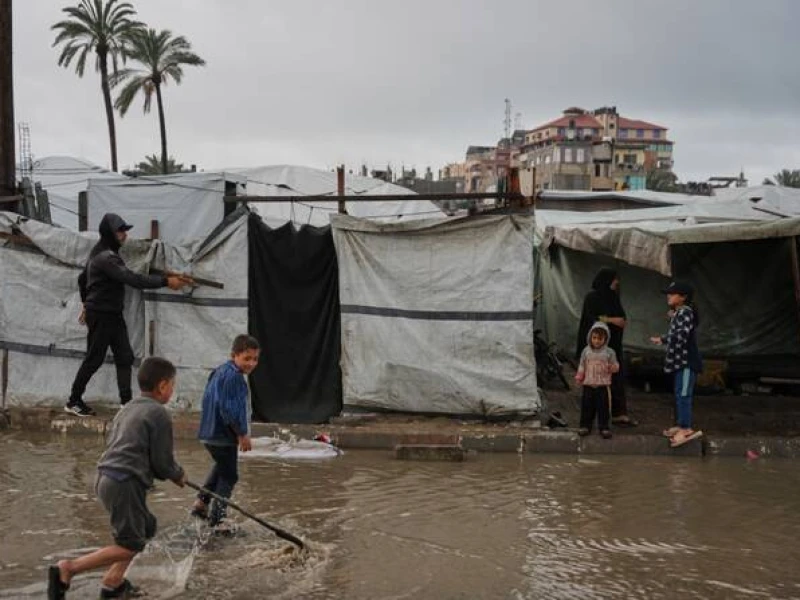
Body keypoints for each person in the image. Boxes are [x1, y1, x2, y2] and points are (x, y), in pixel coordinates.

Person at [47, 357, 187, 600]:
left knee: (146, 528)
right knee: (131, 543)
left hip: (105, 477)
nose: (172, 390)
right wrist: (178, 474)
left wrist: (162, 471)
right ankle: (69, 569)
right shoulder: (159, 414)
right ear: (163, 386)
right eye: (172, 385)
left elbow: (126, 447)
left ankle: (114, 582)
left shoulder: (129, 407)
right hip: (125, 482)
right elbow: (162, 464)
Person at [67, 213, 189, 417]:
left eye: (125, 231)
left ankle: (125, 403)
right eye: (120, 231)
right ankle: (73, 401)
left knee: (125, 356)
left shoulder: (102, 253)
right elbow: (131, 278)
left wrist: (86, 303)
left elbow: (82, 279)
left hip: (112, 313)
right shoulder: (106, 257)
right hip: (102, 314)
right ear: (109, 233)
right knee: (94, 359)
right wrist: (166, 282)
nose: (124, 235)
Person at [192, 335, 260, 529]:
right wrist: (241, 434)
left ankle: (201, 504)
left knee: (221, 467)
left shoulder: (220, 371)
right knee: (230, 476)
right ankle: (217, 518)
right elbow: (228, 410)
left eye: (255, 359)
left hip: (209, 432)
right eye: (247, 358)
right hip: (223, 435)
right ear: (234, 355)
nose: (251, 363)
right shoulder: (234, 378)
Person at [576, 267, 637, 427]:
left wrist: (617, 321)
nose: (617, 282)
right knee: (594, 383)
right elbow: (591, 319)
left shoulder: (613, 298)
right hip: (596, 347)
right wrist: (610, 320)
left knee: (616, 378)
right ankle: (590, 420)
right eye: (614, 279)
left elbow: (622, 318)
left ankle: (618, 413)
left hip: (613, 346)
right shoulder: (592, 298)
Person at [650, 281, 704, 448]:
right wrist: (674, 316)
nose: (669, 296)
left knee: (684, 394)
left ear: (683, 297)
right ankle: (681, 425)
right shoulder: (680, 313)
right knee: (679, 393)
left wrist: (663, 339)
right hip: (680, 362)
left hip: (687, 362)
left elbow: (681, 335)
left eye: (672, 294)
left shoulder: (685, 313)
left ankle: (686, 428)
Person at [575, 321, 619, 439]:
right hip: (588, 384)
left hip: (602, 386)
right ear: (590, 337)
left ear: (606, 339)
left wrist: (612, 368)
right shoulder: (586, 351)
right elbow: (582, 365)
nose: (597, 341)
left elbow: (616, 366)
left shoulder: (609, 352)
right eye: (594, 338)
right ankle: (585, 426)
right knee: (587, 406)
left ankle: (604, 427)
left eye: (600, 338)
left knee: (603, 407)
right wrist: (579, 376)